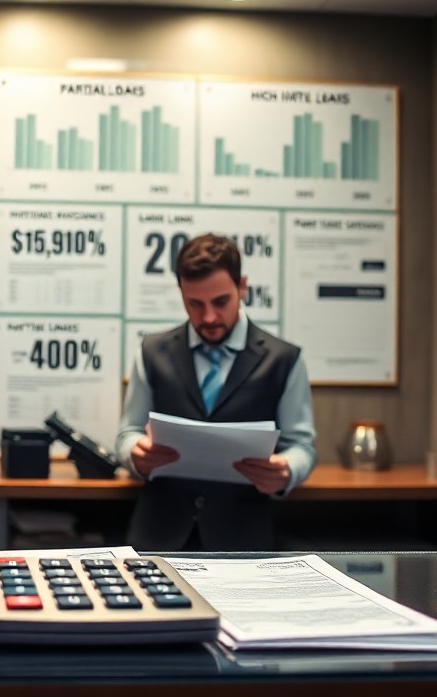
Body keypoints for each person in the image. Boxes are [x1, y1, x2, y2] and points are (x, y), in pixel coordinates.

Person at [116, 233, 316, 551]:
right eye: (194, 304)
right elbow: (128, 433)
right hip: (157, 538)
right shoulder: (151, 352)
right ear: (181, 293)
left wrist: (287, 470)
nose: (208, 317)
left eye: (220, 301)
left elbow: (302, 446)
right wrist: (135, 454)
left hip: (243, 540)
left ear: (242, 287)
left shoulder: (284, 359)